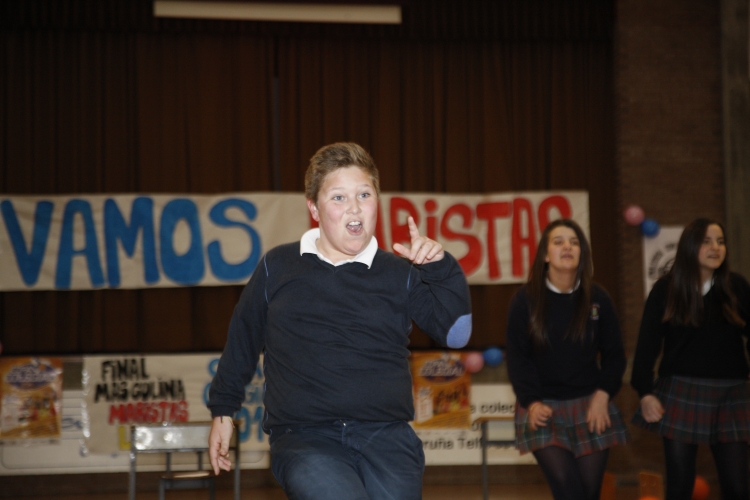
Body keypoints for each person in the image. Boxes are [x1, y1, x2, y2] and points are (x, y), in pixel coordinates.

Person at [206, 142, 472, 500]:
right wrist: (223, 412)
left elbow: (457, 334)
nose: (355, 207)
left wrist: (442, 268)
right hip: (304, 438)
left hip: (387, 437)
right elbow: (243, 339)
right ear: (314, 209)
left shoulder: (400, 273)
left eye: (364, 194)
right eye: (339, 197)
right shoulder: (278, 266)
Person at [506, 219, 628, 500]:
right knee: (566, 487)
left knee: (589, 491)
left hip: (591, 405)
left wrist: (603, 396)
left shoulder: (598, 298)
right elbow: (518, 359)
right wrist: (532, 402)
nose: (567, 247)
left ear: (582, 253)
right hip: (542, 406)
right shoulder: (524, 300)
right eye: (558, 242)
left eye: (574, 242)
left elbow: (615, 355)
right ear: (545, 255)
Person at [631, 218, 750, 500]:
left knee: (738, 487)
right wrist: (645, 392)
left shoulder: (736, 286)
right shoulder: (666, 289)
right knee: (679, 486)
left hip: (732, 393)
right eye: (707, 241)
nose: (716, 248)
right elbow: (647, 345)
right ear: (690, 246)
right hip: (681, 391)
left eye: (720, 242)